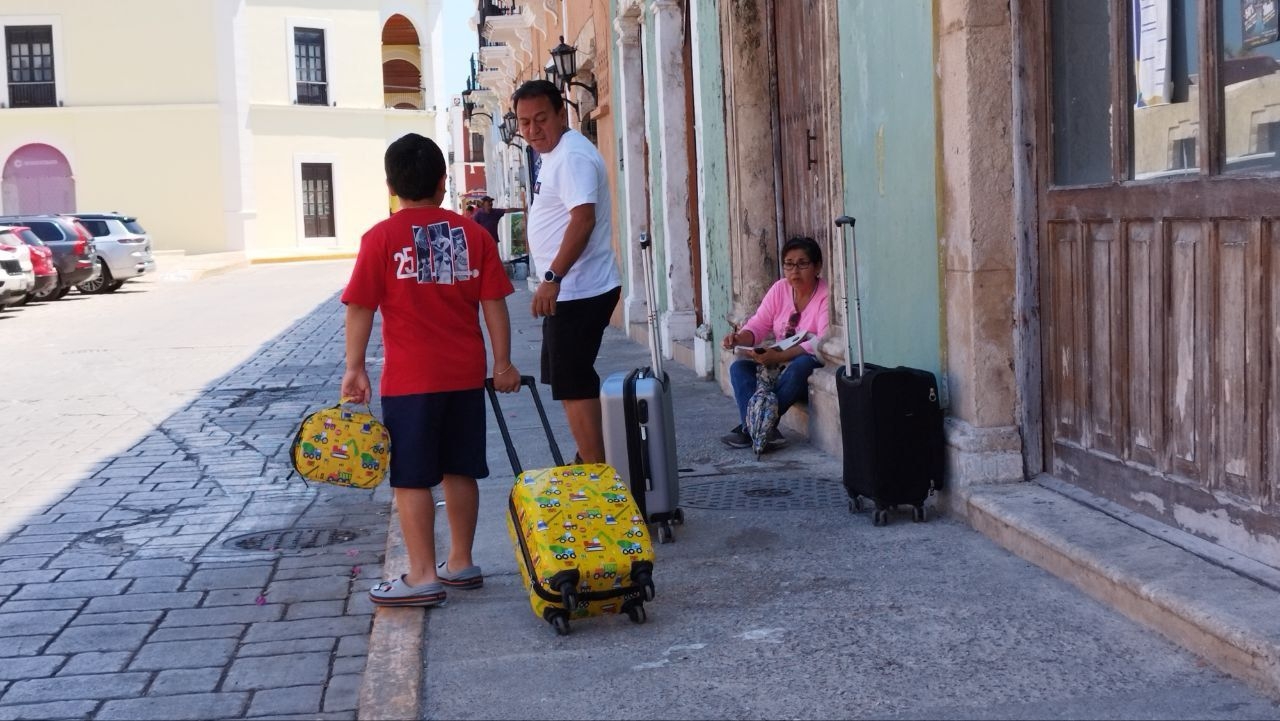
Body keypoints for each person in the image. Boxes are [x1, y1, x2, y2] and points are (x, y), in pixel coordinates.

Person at [341, 132, 521, 608]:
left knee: (411, 476)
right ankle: (460, 562)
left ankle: (421, 575)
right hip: (464, 373)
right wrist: (502, 363)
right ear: (444, 183)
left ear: (390, 185)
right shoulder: (472, 234)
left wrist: (354, 368)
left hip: (410, 380)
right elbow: (494, 306)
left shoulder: (379, 238)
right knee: (460, 467)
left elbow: (360, 306)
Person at [513, 79, 622, 464]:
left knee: (573, 380)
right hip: (572, 289)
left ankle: (596, 471)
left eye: (541, 119)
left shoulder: (572, 156)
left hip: (579, 288)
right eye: (524, 123)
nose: (532, 130)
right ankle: (589, 458)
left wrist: (552, 278)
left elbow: (583, 219)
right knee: (567, 379)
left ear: (562, 114)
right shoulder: (553, 154)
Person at [720, 236, 830, 451]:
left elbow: (821, 341)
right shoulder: (780, 289)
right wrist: (739, 338)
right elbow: (759, 324)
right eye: (789, 264)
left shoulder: (826, 294)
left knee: (802, 366)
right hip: (775, 368)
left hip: (800, 370)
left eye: (802, 264)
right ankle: (762, 430)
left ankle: (750, 428)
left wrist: (779, 356)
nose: (794, 271)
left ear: (817, 266)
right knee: (739, 368)